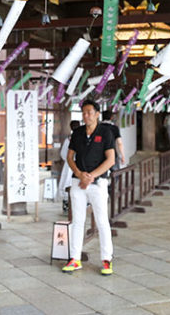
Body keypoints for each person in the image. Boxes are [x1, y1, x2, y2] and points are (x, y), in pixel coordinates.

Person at [62, 100, 116, 276]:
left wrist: (91, 176)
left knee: (102, 221)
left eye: (90, 112)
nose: (86, 115)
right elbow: (70, 157)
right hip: (78, 182)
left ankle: (106, 260)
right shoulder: (77, 133)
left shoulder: (106, 132)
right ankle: (74, 258)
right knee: (77, 221)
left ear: (97, 114)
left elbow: (111, 160)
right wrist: (79, 173)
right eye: (84, 112)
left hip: (98, 182)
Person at [58, 120, 81, 212]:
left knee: (67, 183)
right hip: (80, 165)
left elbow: (63, 154)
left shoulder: (68, 139)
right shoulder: (83, 138)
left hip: (69, 165)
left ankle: (66, 205)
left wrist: (69, 160)